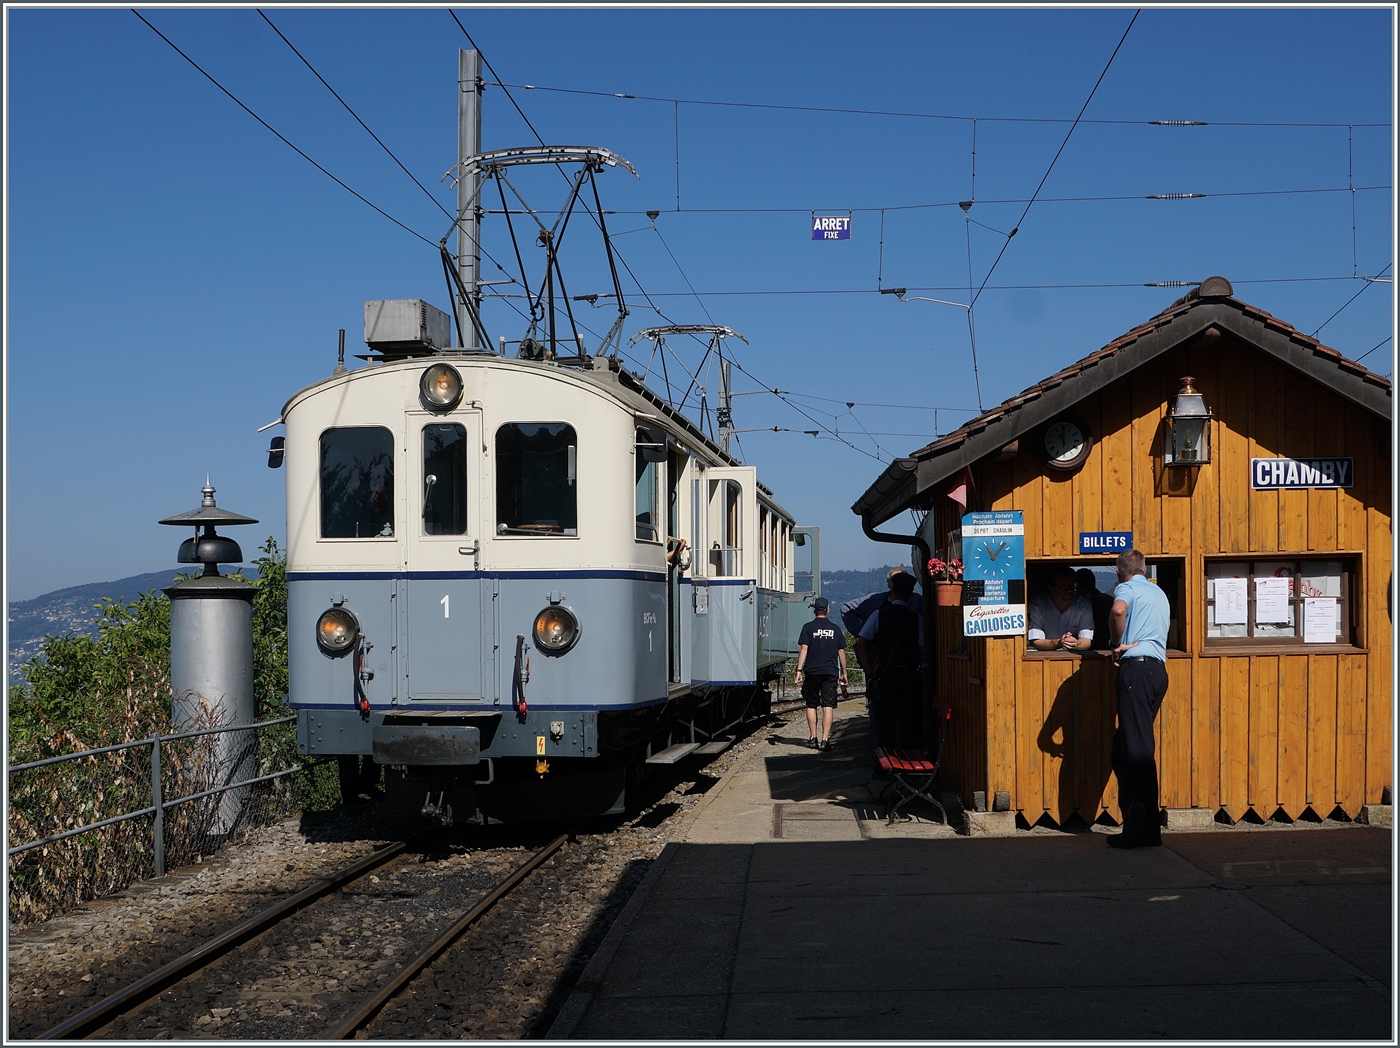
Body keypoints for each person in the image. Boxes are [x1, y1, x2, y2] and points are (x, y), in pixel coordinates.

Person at [1107, 549, 1172, 849]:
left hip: (1136, 670)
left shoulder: (1126, 587)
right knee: (1122, 749)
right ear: (1145, 569)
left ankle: (1147, 829)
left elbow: (1118, 611)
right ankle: (1134, 809)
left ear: (1120, 572)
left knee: (1139, 751)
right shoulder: (1158, 593)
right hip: (1157, 672)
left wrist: (1116, 643)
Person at [856, 572, 923, 751]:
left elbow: (861, 643)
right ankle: (908, 761)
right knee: (909, 722)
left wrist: (870, 669)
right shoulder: (916, 618)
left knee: (886, 722)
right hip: (910, 675)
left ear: (892, 592)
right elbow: (922, 647)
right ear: (910, 595)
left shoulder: (879, 615)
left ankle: (885, 763)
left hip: (886, 675)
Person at [794, 597, 847, 751]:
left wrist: (798, 670)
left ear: (814, 610)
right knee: (828, 705)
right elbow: (841, 652)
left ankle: (813, 738)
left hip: (812, 671)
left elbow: (803, 649)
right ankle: (825, 740)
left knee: (811, 704)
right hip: (830, 671)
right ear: (828, 610)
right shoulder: (836, 629)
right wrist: (844, 673)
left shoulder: (808, 628)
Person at [1026, 566, 1095, 651]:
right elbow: (1036, 641)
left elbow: (1086, 641)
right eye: (1063, 586)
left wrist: (1075, 644)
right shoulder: (1037, 604)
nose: (1069, 590)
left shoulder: (1083, 604)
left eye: (1072, 586)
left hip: (1073, 656)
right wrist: (1058, 642)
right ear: (1050, 588)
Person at [1076, 568, 1115, 650]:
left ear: (1079, 586)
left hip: (1090, 645)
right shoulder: (1111, 600)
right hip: (1109, 646)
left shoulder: (1084, 604)